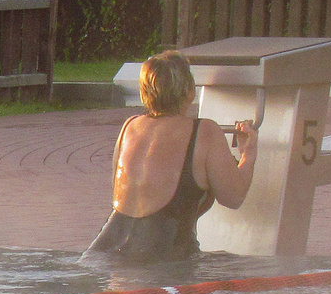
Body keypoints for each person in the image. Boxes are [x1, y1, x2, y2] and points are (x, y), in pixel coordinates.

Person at [87, 50, 256, 262]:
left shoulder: (129, 127)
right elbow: (234, 197)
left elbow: (148, 206)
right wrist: (248, 153)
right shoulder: (204, 131)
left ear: (145, 92)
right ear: (189, 91)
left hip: (104, 254)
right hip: (162, 262)